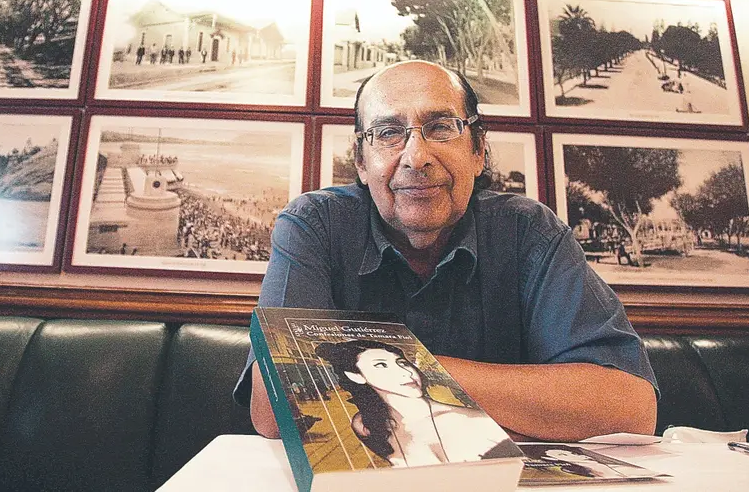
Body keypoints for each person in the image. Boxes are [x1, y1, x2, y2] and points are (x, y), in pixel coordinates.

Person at [234, 60, 658, 442]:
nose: (416, 157)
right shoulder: (314, 226)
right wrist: (509, 414)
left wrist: (396, 375)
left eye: (441, 127)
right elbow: (276, 409)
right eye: (388, 133)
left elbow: (628, 406)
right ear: (361, 163)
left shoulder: (529, 231)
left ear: (478, 152)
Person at [315, 339, 514, 466]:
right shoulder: (365, 424)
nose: (406, 372)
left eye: (402, 362)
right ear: (356, 376)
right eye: (381, 365)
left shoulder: (470, 421)